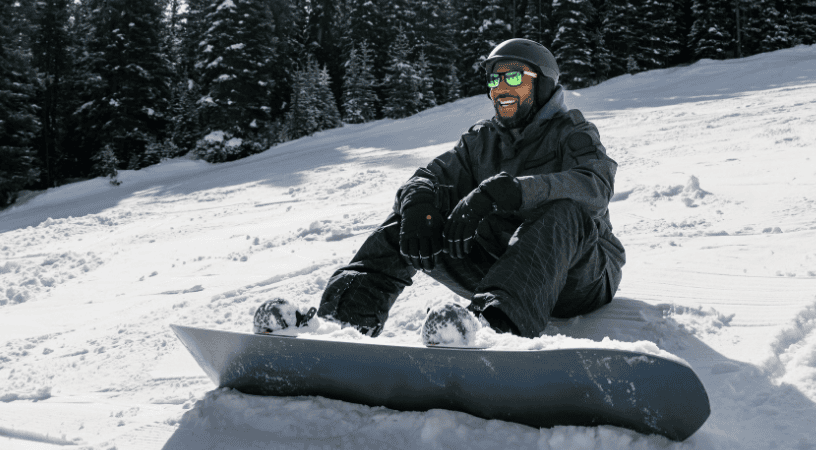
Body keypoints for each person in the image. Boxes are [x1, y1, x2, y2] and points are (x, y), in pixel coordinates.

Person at [254, 39, 625, 341]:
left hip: (581, 279)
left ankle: (491, 330)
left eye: (513, 78)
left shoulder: (572, 132)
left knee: (565, 210)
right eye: (494, 81)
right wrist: (418, 203)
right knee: (416, 214)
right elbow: (428, 176)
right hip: (506, 269)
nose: (501, 89)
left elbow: (595, 186)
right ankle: (343, 325)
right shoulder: (483, 139)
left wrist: (513, 191)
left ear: (542, 84)